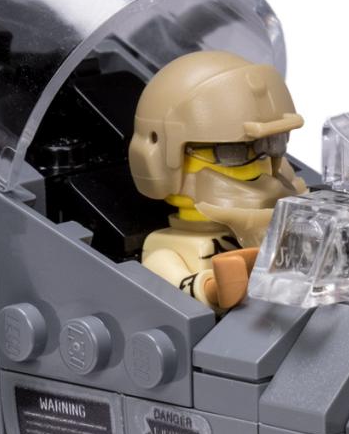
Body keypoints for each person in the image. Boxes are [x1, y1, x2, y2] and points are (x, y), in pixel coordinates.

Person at [128, 51, 307, 310]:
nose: (261, 166)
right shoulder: (165, 250)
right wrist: (216, 287)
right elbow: (181, 287)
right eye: (232, 152)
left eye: (272, 144)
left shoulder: (283, 223)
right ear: (159, 160)